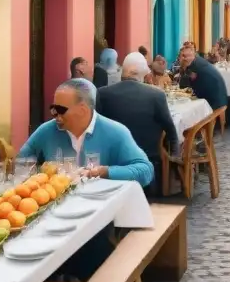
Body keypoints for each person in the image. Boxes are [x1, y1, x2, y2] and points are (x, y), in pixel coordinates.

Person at [18, 78, 154, 184]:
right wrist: (39, 175)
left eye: (61, 110)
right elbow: (21, 162)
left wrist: (105, 172)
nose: (55, 115)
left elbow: (145, 171)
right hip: (55, 210)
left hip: (102, 210)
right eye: (53, 109)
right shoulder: (46, 131)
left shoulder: (115, 132)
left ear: (82, 110)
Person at [97, 52, 178, 190]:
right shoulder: (156, 95)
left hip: (113, 162)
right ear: (143, 74)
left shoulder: (102, 93)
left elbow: (96, 126)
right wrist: (175, 156)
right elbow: (170, 130)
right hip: (147, 161)